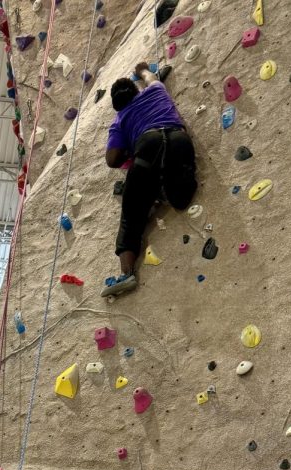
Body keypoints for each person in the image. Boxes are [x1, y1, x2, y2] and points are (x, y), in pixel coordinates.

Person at [101, 63, 197, 297]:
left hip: (146, 147)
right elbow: (150, 75)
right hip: (179, 139)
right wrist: (142, 69)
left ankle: (126, 274)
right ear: (136, 91)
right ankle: (168, 190)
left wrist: (129, 148)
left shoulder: (120, 118)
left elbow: (112, 160)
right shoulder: (155, 90)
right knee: (181, 200)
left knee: (132, 213)